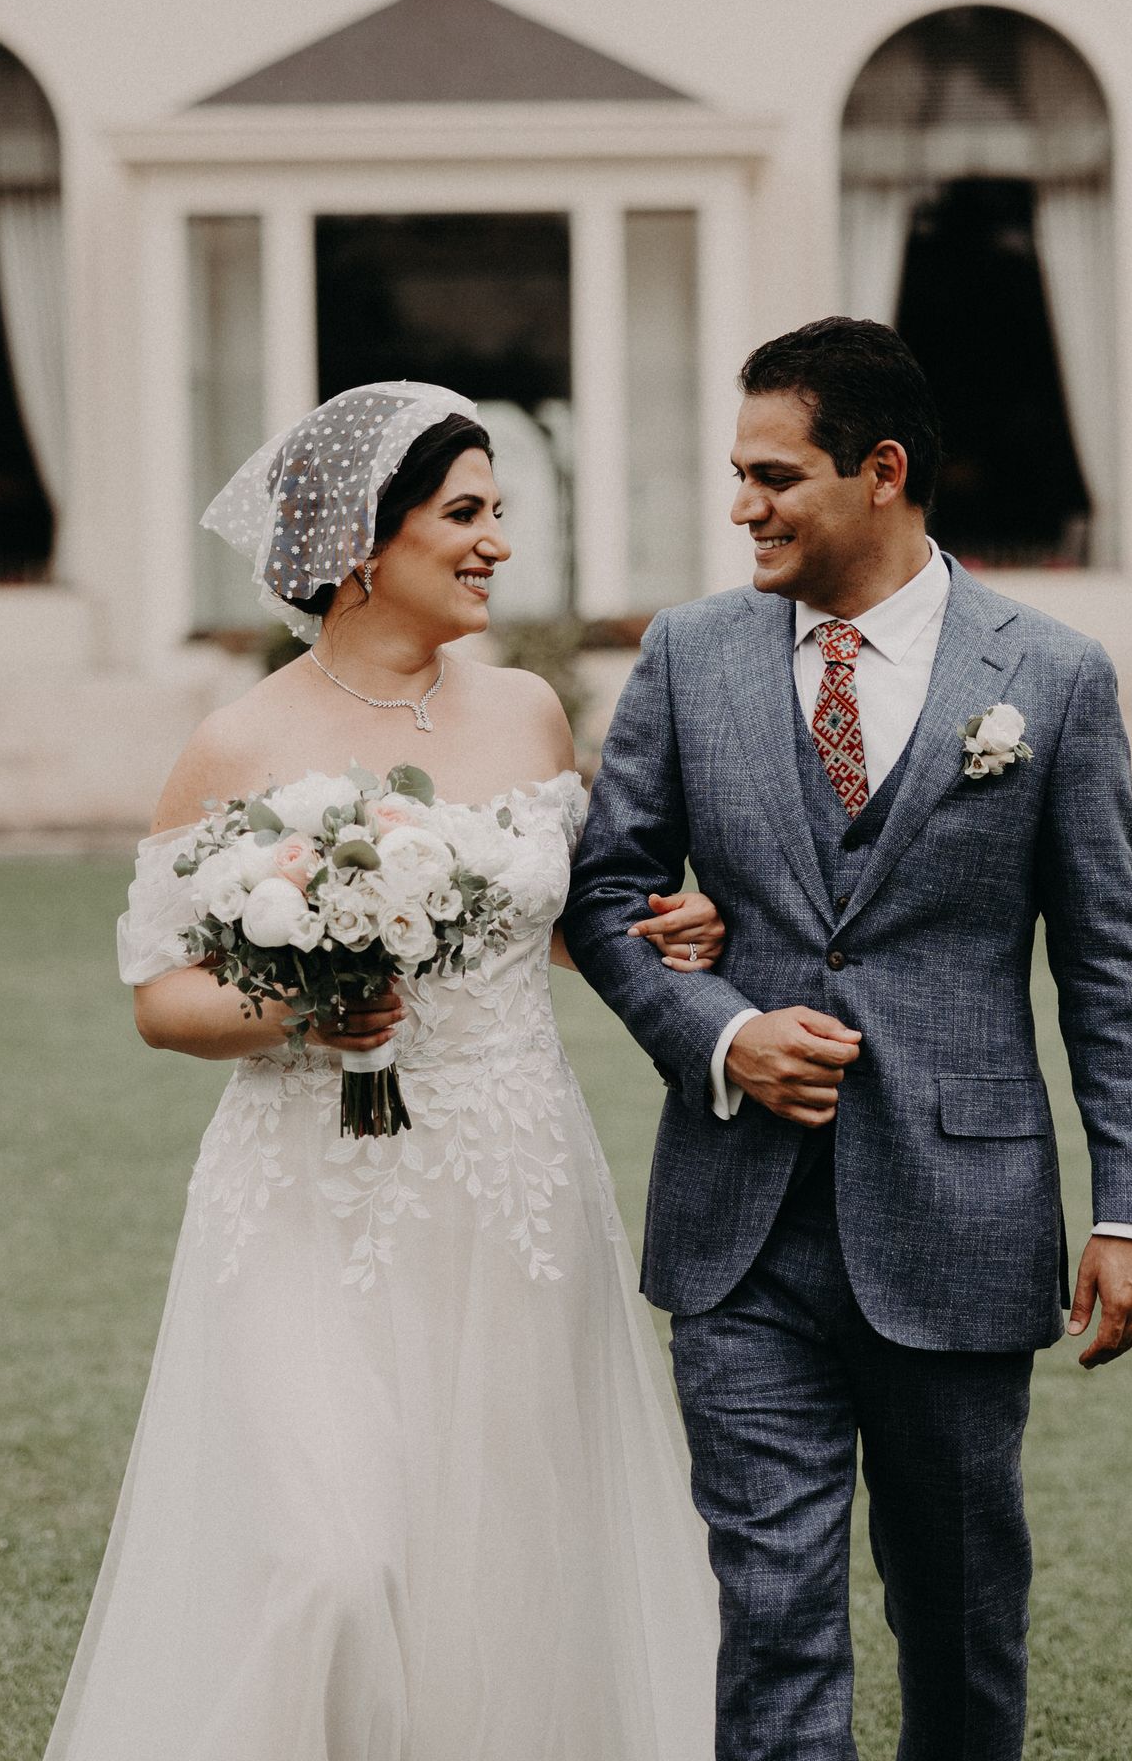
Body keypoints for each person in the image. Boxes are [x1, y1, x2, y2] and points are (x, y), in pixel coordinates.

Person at [49, 382, 723, 1761]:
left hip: (513, 1191)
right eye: (465, 513)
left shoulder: (531, 714)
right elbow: (161, 998)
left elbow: (566, 922)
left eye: (498, 515)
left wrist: (673, 930)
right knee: (334, 1566)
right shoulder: (240, 744)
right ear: (365, 544)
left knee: (516, 1561)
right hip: (311, 1196)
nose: (496, 545)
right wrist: (306, 1006)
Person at [568, 319, 1132, 1761]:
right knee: (769, 1613)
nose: (742, 508)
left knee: (961, 1612)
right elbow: (605, 895)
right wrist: (719, 1036)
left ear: (883, 471)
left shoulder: (1056, 677)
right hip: (741, 1231)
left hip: (962, 1217)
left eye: (774, 475)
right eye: (738, 474)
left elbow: (1108, 965)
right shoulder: (688, 655)